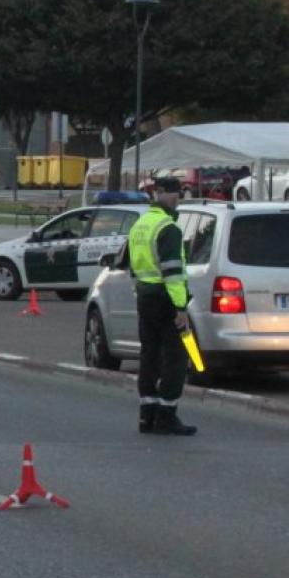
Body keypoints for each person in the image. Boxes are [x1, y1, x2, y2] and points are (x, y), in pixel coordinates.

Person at [128, 174, 198, 436]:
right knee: (176, 358)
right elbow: (173, 273)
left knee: (149, 355)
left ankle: (147, 416)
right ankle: (167, 416)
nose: (178, 200)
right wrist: (180, 308)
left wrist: (140, 290)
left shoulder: (141, 224)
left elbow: (131, 265)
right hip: (166, 298)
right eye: (177, 195)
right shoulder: (169, 228)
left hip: (145, 296)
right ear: (168, 195)